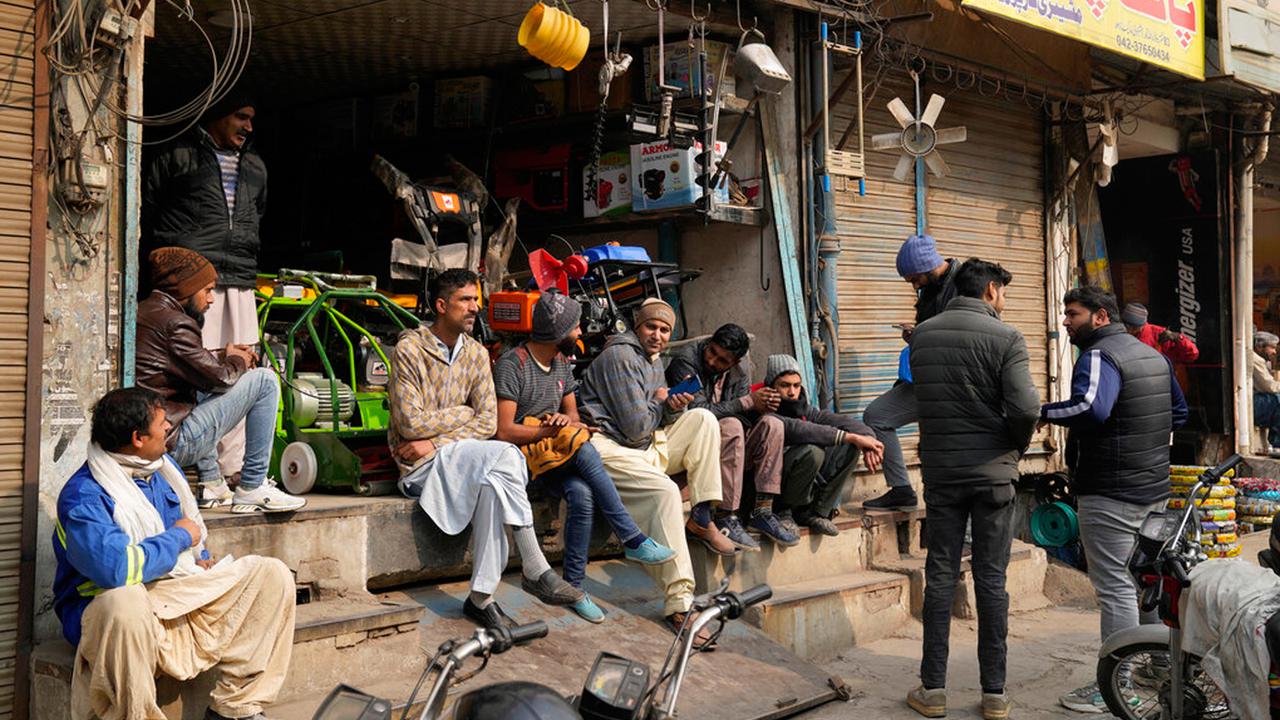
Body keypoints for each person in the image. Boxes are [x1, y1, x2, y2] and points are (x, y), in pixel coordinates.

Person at [53, 387, 296, 720]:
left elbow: (191, 540)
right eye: (161, 422)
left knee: (271, 575)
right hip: (109, 618)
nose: (169, 426)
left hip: (170, 597)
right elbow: (116, 570)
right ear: (138, 438)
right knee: (125, 602)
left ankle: (237, 708)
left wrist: (199, 558)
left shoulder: (162, 471)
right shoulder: (84, 496)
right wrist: (180, 537)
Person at [390, 269, 581, 630]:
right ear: (441, 305)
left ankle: (481, 599)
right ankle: (535, 568)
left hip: (451, 456)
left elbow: (488, 423)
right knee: (506, 456)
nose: (475, 307)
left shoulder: (477, 354)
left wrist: (437, 438)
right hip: (419, 469)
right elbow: (410, 425)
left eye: (476, 300)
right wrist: (462, 416)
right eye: (466, 300)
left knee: (497, 479)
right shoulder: (409, 350)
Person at [902, 259, 1040, 720]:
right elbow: (1025, 408)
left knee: (940, 575)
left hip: (942, 474)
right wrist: (1013, 449)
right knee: (992, 579)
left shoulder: (922, 334)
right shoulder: (1007, 337)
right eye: (1003, 292)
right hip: (994, 476)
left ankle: (933, 690)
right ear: (991, 291)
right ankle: (995, 695)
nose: (1004, 300)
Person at [1041, 286, 1187, 714]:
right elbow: (1177, 413)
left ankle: (1115, 685)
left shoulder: (1101, 356)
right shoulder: (1153, 355)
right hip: (1153, 490)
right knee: (1144, 584)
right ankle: (1154, 672)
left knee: (1117, 589)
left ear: (1100, 317)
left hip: (1110, 492)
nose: (1066, 321)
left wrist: (1041, 410)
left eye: (1073, 314)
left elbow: (1091, 409)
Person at [493, 292, 675, 623]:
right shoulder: (513, 364)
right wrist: (550, 431)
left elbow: (574, 419)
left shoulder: (561, 362)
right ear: (557, 331)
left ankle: (574, 588)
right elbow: (504, 430)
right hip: (520, 458)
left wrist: (564, 422)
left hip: (555, 453)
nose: (580, 333)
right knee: (585, 446)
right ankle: (631, 536)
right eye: (575, 327)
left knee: (582, 493)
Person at [578, 298, 730, 644]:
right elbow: (635, 427)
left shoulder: (654, 360)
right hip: (609, 447)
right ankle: (680, 604)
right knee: (664, 491)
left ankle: (703, 515)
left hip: (643, 444)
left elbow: (650, 422)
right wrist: (662, 401)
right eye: (651, 327)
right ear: (637, 326)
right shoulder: (620, 356)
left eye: (664, 330)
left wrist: (673, 407)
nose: (658, 335)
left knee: (704, 419)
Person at [144, 95, 266, 486]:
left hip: (240, 277)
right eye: (241, 116)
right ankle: (206, 471)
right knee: (202, 374)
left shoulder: (256, 167)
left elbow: (256, 215)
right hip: (193, 282)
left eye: (251, 119)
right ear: (216, 115)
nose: (248, 127)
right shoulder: (176, 154)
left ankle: (233, 471)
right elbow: (147, 209)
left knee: (245, 368)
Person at [135, 247, 305, 513]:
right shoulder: (176, 323)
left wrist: (226, 356)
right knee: (265, 380)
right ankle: (253, 485)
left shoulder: (147, 311)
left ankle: (212, 483)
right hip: (172, 439)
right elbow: (222, 378)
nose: (211, 300)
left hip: (155, 430)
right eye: (207, 290)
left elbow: (200, 372)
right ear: (186, 290)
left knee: (201, 391)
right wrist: (238, 359)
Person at [665, 324, 793, 550]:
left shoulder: (739, 373)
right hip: (689, 445)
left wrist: (759, 409)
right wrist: (747, 402)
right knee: (731, 425)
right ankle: (726, 515)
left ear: (735, 362)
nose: (713, 361)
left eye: (722, 360)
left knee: (773, 424)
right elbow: (699, 412)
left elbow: (743, 416)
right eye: (711, 352)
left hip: (725, 447)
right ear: (709, 343)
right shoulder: (686, 362)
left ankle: (762, 510)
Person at [862, 234, 959, 512]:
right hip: (925, 377)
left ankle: (963, 534)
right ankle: (902, 490)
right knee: (877, 416)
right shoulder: (929, 289)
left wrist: (923, 336)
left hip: (953, 384)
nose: (915, 286)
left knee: (944, 453)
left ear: (928, 266)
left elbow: (965, 336)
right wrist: (915, 337)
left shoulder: (964, 283)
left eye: (915, 279)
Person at [755, 355, 885, 536]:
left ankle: (816, 513)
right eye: (784, 385)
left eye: (796, 385)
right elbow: (801, 429)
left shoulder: (802, 408)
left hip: (800, 482)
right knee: (812, 451)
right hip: (773, 488)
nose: (792, 392)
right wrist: (851, 437)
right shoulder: (762, 410)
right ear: (771, 386)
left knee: (850, 448)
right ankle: (784, 512)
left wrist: (869, 440)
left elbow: (841, 420)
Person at [1121, 303, 1200, 364]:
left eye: (1134, 327)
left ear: (1143, 325)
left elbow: (1192, 355)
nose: (1129, 330)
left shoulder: (1160, 335)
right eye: (1126, 325)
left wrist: (1178, 338)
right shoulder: (1119, 332)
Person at [1252, 331, 1280, 458]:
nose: (1274, 351)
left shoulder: (1262, 361)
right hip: (1253, 402)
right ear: (1259, 347)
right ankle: (1277, 444)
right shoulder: (1255, 359)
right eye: (1272, 347)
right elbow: (1269, 387)